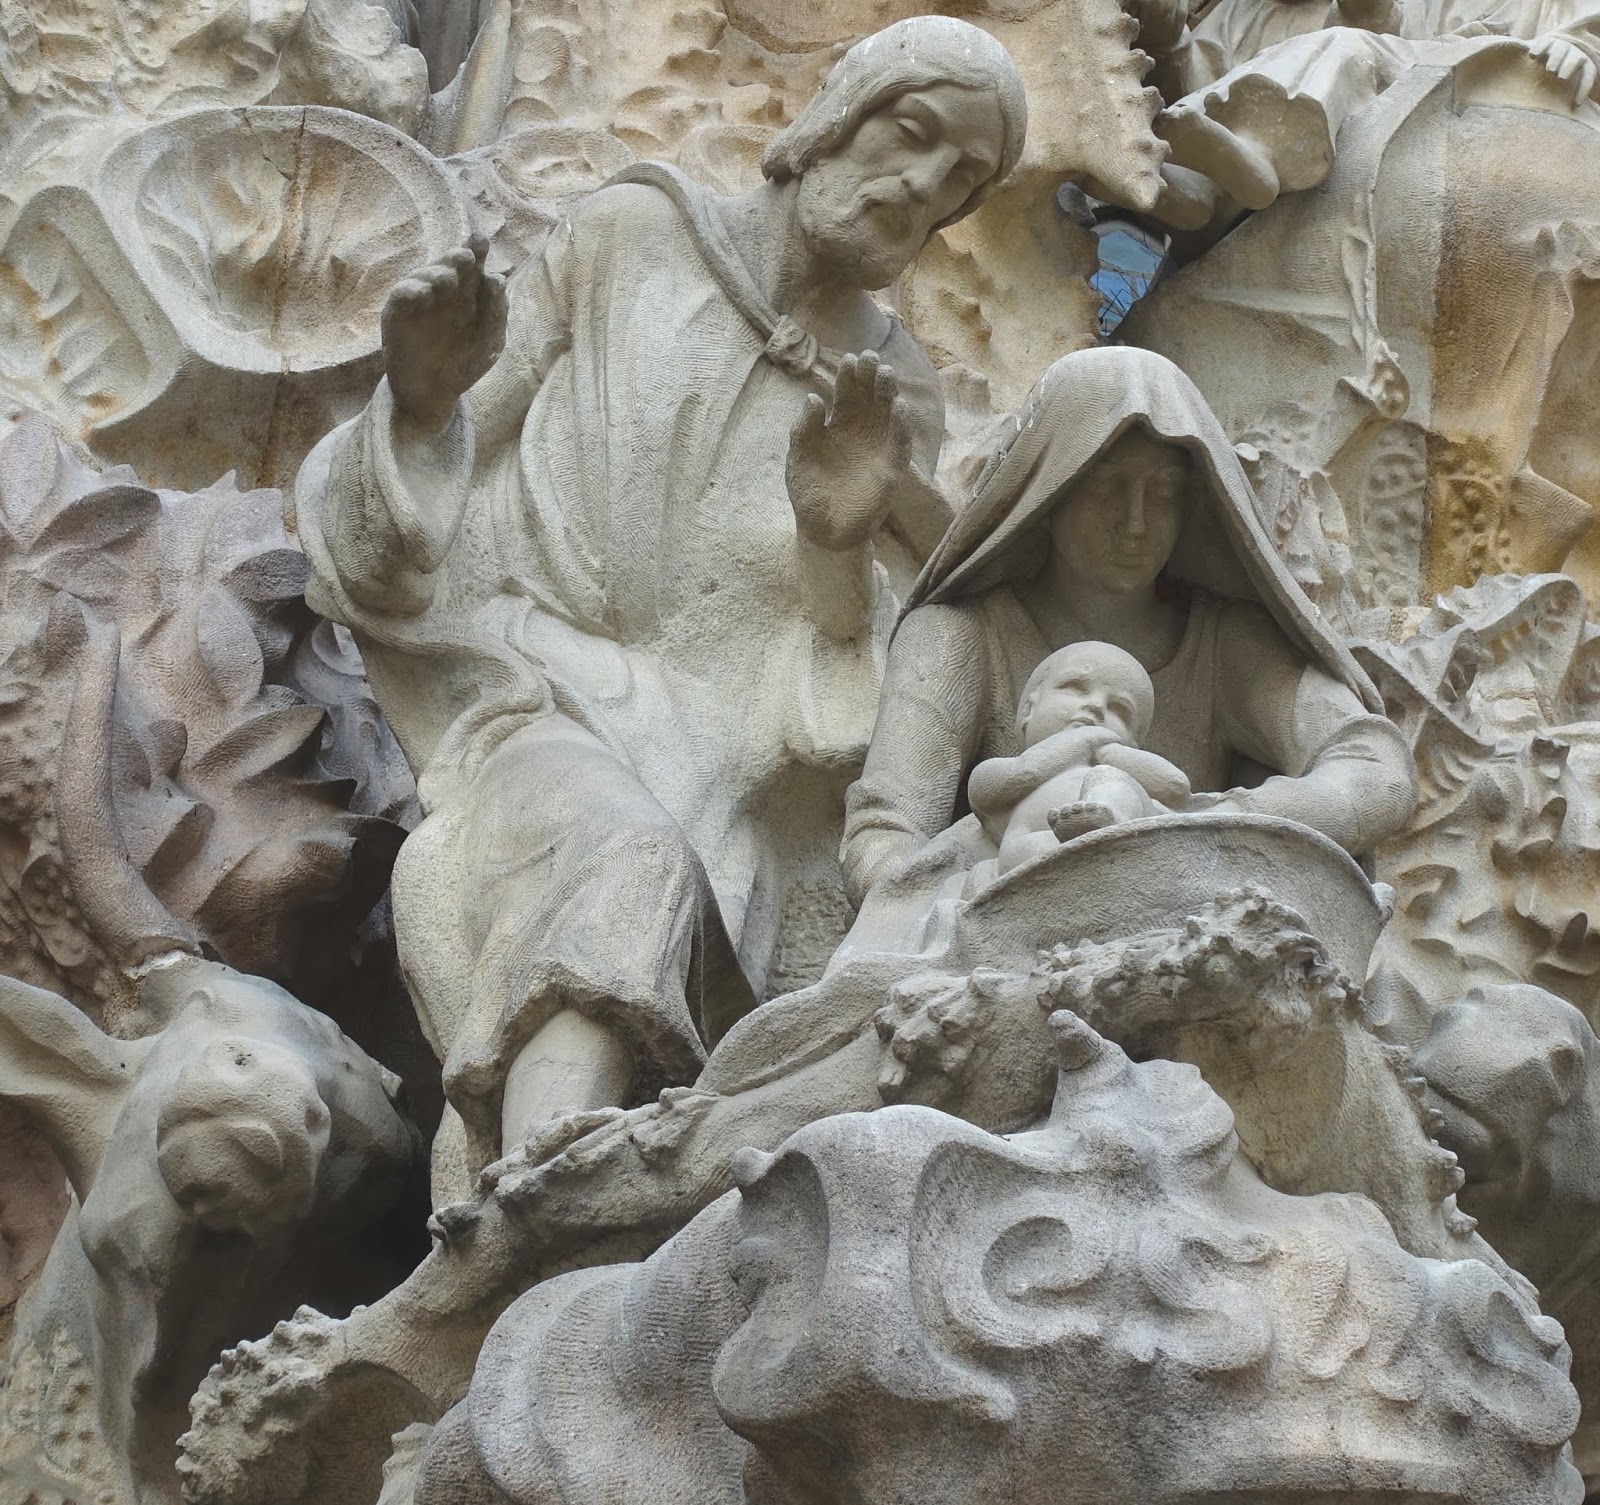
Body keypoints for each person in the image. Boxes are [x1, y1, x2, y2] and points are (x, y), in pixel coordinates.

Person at [293, 17, 1027, 1193]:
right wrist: (421, 407)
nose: (920, 186)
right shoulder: (633, 235)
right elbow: (448, 456)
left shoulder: (895, 394)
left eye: (960, 182)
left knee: (713, 925)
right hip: (533, 688)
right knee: (626, 855)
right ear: (833, 118)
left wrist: (836, 535)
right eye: (911, 133)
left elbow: (850, 665)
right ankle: (538, 1188)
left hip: (728, 769)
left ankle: (550, 1205)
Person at [841, 345, 1418, 908]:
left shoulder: (1227, 645)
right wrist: (976, 892)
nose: (1136, 522)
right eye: (1107, 487)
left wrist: (1201, 826)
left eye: (1163, 492)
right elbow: (885, 836)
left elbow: (1378, 772)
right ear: (1049, 492)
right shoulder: (958, 634)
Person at [967, 640, 1188, 873]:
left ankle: (1106, 822)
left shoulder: (1113, 764)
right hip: (1032, 848)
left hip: (1119, 835)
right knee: (1025, 852)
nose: (1096, 706)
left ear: (1134, 744)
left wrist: (1111, 753)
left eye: (1119, 709)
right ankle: (1085, 843)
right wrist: (1087, 740)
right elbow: (1026, 772)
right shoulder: (997, 768)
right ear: (1028, 710)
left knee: (1111, 780)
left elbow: (1175, 785)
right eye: (1076, 688)